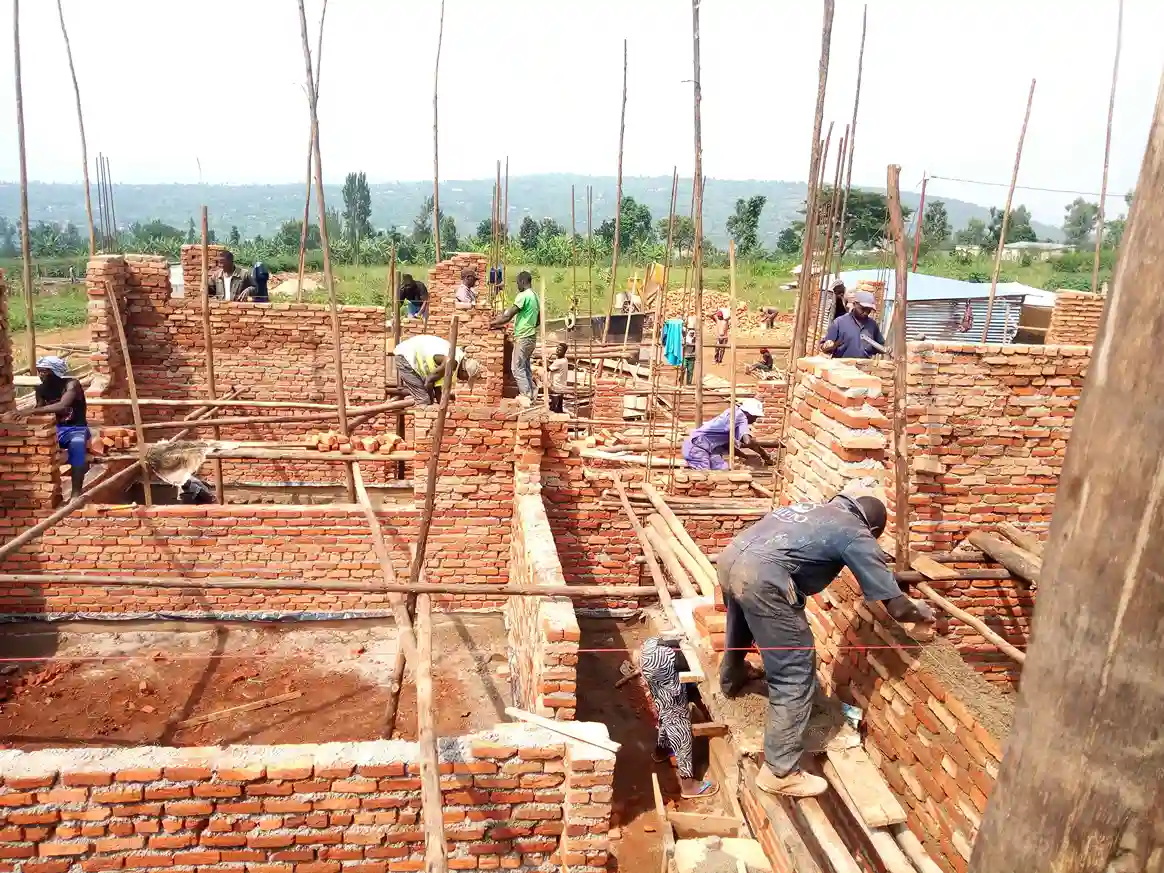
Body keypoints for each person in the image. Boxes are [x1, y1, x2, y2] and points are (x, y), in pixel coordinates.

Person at [718, 495, 936, 797]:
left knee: (741, 620)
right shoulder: (856, 532)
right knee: (794, 672)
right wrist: (919, 611)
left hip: (731, 558)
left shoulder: (814, 507)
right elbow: (897, 608)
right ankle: (780, 771)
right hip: (762, 578)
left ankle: (732, 677)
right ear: (872, 530)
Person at [638, 636, 718, 799]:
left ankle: (663, 750)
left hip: (651, 651)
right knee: (678, 721)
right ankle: (688, 785)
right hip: (663, 660)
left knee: (666, 707)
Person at [16, 356, 89, 495]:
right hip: (55, 429)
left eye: (44, 372)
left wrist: (29, 411)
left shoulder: (72, 384)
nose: (40, 375)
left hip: (76, 428)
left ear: (55, 372)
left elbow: (62, 405)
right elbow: (40, 410)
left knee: (77, 448)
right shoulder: (41, 389)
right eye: (39, 371)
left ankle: (76, 493)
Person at [490, 271, 540, 406]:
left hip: (523, 336)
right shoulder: (535, 296)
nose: (517, 286)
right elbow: (538, 320)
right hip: (531, 336)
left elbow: (508, 316)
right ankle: (532, 394)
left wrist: (491, 324)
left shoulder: (523, 296)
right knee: (525, 367)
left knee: (516, 368)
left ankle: (526, 396)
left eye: (518, 283)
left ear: (522, 282)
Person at [682, 397, 772, 471]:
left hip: (709, 449)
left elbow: (727, 444)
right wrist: (764, 455)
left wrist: (744, 456)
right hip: (697, 448)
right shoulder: (741, 417)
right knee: (704, 478)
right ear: (749, 414)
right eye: (755, 417)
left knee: (723, 471)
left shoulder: (733, 412)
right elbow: (748, 442)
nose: (755, 420)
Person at [394, 334, 482, 406]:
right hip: (405, 356)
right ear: (464, 370)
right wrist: (431, 402)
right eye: (466, 378)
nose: (464, 380)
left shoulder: (456, 359)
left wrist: (444, 408)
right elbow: (429, 381)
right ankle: (424, 421)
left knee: (427, 400)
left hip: (410, 353)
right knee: (423, 400)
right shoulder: (451, 363)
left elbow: (437, 388)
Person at [820, 289, 885, 359]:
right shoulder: (839, 322)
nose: (866, 313)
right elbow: (825, 347)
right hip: (841, 364)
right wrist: (828, 346)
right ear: (854, 304)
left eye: (869, 310)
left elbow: (880, 345)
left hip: (864, 364)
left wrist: (879, 349)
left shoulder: (872, 325)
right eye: (863, 309)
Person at [548, 342, 569, 414]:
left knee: (553, 409)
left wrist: (545, 360)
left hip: (556, 387)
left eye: (560, 350)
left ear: (564, 352)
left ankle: (555, 418)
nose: (557, 351)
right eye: (557, 349)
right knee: (559, 408)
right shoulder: (564, 359)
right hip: (561, 387)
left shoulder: (559, 361)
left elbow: (548, 369)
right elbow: (555, 366)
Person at [682, 316, 698, 386]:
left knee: (690, 371)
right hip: (685, 356)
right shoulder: (685, 337)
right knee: (683, 369)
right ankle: (681, 380)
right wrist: (685, 321)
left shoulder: (696, 338)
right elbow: (682, 328)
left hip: (692, 356)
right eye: (691, 332)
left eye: (693, 332)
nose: (692, 334)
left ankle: (689, 383)